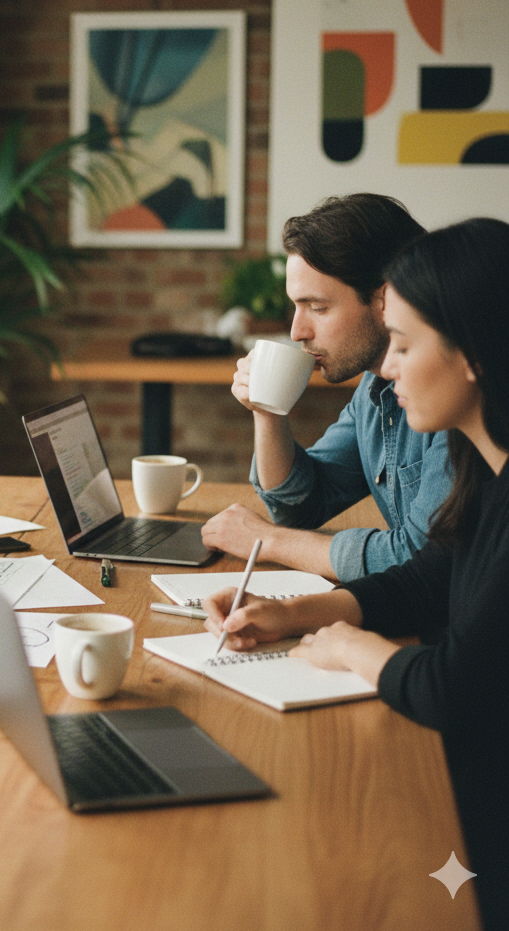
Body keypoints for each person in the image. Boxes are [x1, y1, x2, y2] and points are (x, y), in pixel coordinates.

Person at [203, 218, 509, 928]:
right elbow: (435, 573)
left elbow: (450, 686)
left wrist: (347, 646)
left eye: (403, 345)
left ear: (472, 356)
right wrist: (301, 613)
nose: (390, 369)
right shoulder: (485, 468)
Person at [201, 193, 451, 582]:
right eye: (296, 307)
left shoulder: (459, 397)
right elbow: (301, 506)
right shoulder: (375, 389)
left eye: (317, 308)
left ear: (386, 298)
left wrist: (266, 542)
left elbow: (420, 559)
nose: (297, 331)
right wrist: (267, 411)